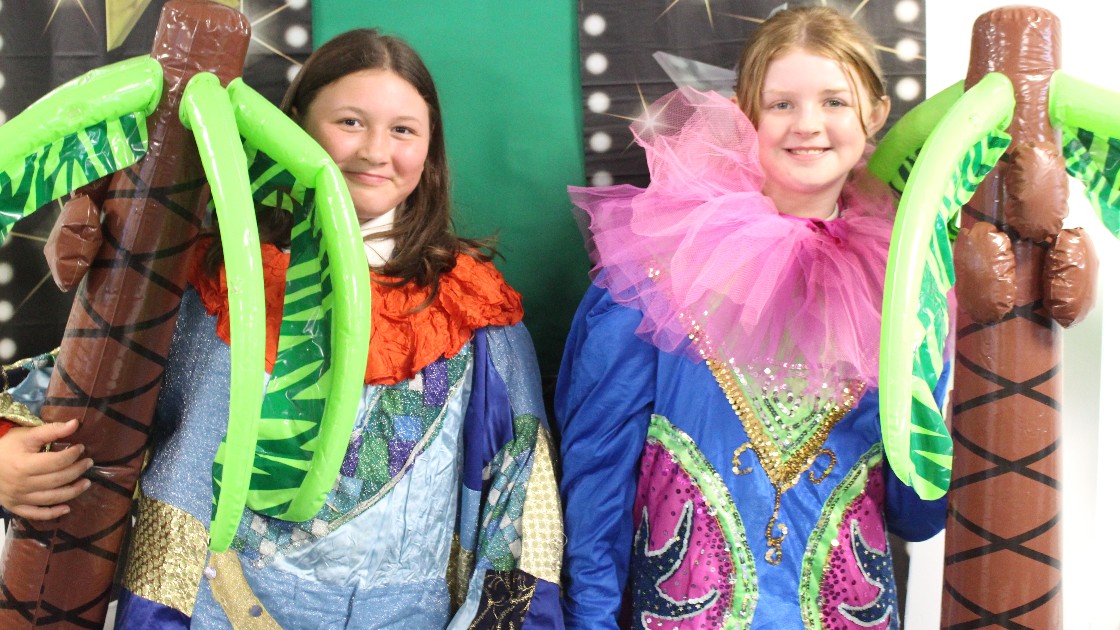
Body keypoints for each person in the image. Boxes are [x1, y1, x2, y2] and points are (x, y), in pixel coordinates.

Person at [0, 29, 563, 628]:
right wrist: (6, 453)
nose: (376, 151)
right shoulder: (212, 281)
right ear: (293, 128)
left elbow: (522, 503)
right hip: (208, 612)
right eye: (350, 122)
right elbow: (81, 389)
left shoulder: (472, 309)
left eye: (403, 130)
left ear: (430, 151)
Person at [555, 6, 948, 629]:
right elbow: (597, 478)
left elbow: (918, 514)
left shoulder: (904, 286)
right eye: (781, 103)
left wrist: (933, 366)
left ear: (875, 114)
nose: (808, 124)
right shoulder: (658, 268)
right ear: (744, 115)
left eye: (835, 101)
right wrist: (592, 622)